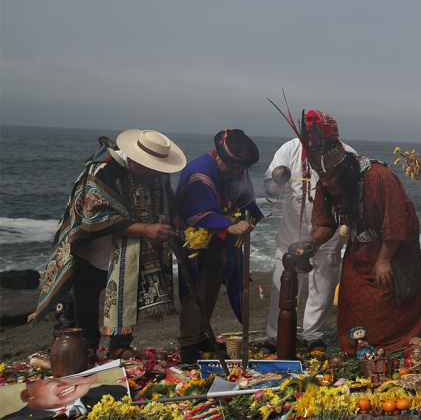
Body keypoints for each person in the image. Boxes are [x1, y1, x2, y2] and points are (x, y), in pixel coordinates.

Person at [28, 130, 186, 360]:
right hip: (95, 248)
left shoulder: (158, 172)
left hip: (131, 248)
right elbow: (93, 218)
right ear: (134, 160)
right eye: (151, 168)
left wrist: (175, 214)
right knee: (85, 296)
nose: (155, 174)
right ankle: (86, 346)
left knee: (127, 292)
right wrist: (146, 229)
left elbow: (166, 196)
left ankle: (119, 345)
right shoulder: (102, 171)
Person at [292, 111, 421, 355]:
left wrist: (384, 260)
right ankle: (359, 348)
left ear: (344, 171)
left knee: (389, 300)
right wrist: (313, 243)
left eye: (330, 177)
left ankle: (395, 346)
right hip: (360, 249)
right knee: (352, 301)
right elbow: (327, 222)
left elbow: (397, 222)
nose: (325, 183)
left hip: (393, 249)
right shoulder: (326, 182)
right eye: (321, 177)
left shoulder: (379, 177)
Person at [263, 114, 356, 353]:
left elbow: (354, 193)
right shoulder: (289, 149)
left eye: (320, 139)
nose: (314, 144)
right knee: (281, 285)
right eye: (310, 138)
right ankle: (275, 336)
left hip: (328, 235)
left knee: (323, 287)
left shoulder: (346, 154)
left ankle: (313, 335)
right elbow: (269, 181)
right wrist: (274, 186)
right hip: (291, 233)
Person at [175, 129, 264, 363]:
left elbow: (246, 202)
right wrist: (230, 227)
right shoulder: (199, 172)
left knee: (213, 286)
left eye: (240, 168)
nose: (236, 171)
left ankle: (201, 335)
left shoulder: (238, 171)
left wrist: (248, 221)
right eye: (233, 166)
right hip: (195, 239)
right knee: (196, 288)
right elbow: (198, 213)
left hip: (222, 239)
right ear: (220, 157)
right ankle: (187, 342)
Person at [4, 374, 128, 419]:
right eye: (52, 382)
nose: (68, 384)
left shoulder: (111, 393)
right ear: (26, 396)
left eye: (70, 377)